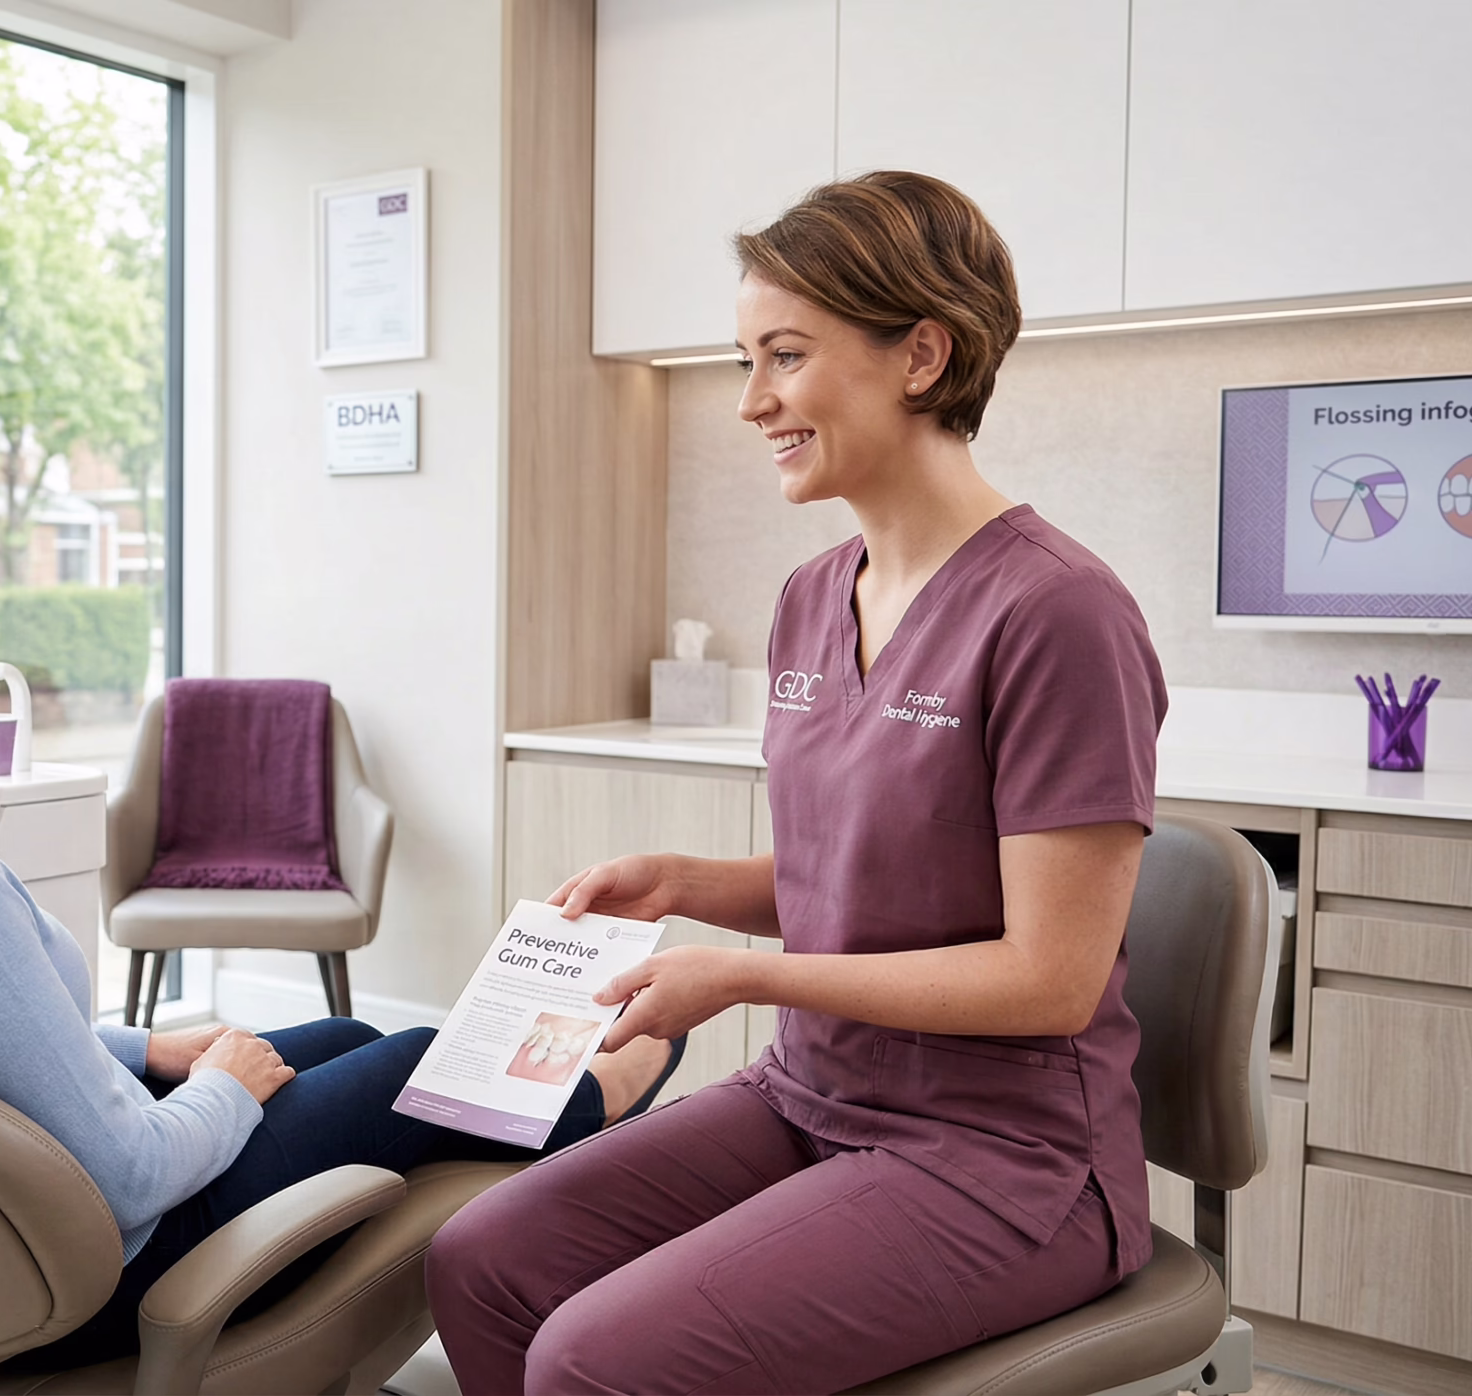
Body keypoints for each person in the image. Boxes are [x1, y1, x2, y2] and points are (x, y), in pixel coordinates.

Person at [0, 451, 688, 1370]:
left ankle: (545, 1126)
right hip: (90, 1271)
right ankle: (598, 1098)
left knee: (336, 1030)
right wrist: (225, 1086)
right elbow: (126, 1176)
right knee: (412, 1058)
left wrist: (146, 1054)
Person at [426, 171, 1168, 1394]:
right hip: (813, 1092)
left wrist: (743, 975)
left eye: (783, 355)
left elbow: (1049, 977)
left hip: (1003, 1154)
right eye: (743, 360)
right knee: (481, 1259)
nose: (750, 401)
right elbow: (872, 875)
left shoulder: (1057, 613)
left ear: (922, 354)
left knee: (591, 1361)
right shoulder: (811, 599)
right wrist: (690, 884)